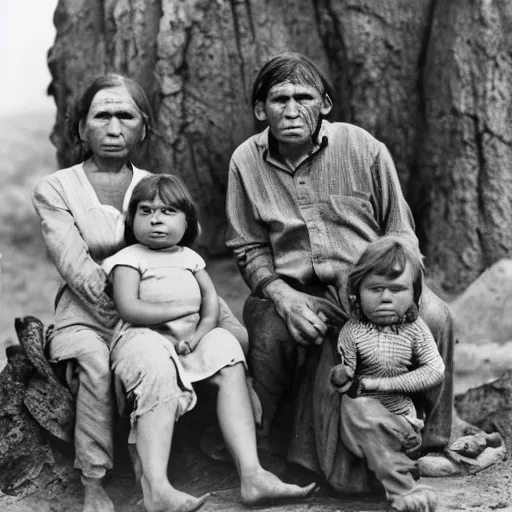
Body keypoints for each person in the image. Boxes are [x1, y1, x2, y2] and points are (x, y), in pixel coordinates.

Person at [225, 52, 454, 499]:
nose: (291, 110)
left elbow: (401, 232)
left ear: (325, 104)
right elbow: (247, 246)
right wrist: (284, 297)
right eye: (279, 99)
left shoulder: (363, 147)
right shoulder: (245, 161)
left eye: (304, 97)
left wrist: (392, 288)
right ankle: (267, 448)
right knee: (270, 327)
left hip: (372, 280)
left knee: (437, 315)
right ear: (260, 110)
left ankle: (429, 442)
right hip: (297, 289)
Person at [32, 74, 247, 512]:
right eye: (102, 116)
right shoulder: (56, 188)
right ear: (81, 128)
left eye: (125, 116)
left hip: (160, 304)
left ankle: (228, 446)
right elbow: (76, 265)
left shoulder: (156, 185)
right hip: (90, 311)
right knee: (95, 362)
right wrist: (137, 315)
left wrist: (192, 313)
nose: (114, 128)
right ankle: (94, 480)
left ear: (143, 128)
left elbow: (183, 252)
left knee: (234, 338)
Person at [102, 173, 316, 511]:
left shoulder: (190, 258)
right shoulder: (129, 259)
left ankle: (252, 473)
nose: (156, 219)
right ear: (131, 220)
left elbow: (210, 302)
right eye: (146, 211)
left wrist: (201, 332)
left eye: (168, 211)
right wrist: (177, 310)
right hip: (143, 337)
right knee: (155, 368)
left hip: (191, 336)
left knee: (226, 349)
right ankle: (156, 487)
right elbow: (129, 307)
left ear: (187, 221)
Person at [329, 236, 443, 511]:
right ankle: (400, 484)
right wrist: (341, 376)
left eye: (398, 288)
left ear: (415, 295)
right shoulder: (352, 332)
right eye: (376, 288)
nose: (386, 298)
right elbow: (347, 380)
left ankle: (401, 481)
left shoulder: (415, 330)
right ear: (356, 293)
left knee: (366, 414)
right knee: (354, 407)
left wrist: (383, 383)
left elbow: (435, 369)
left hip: (403, 425)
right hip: (364, 419)